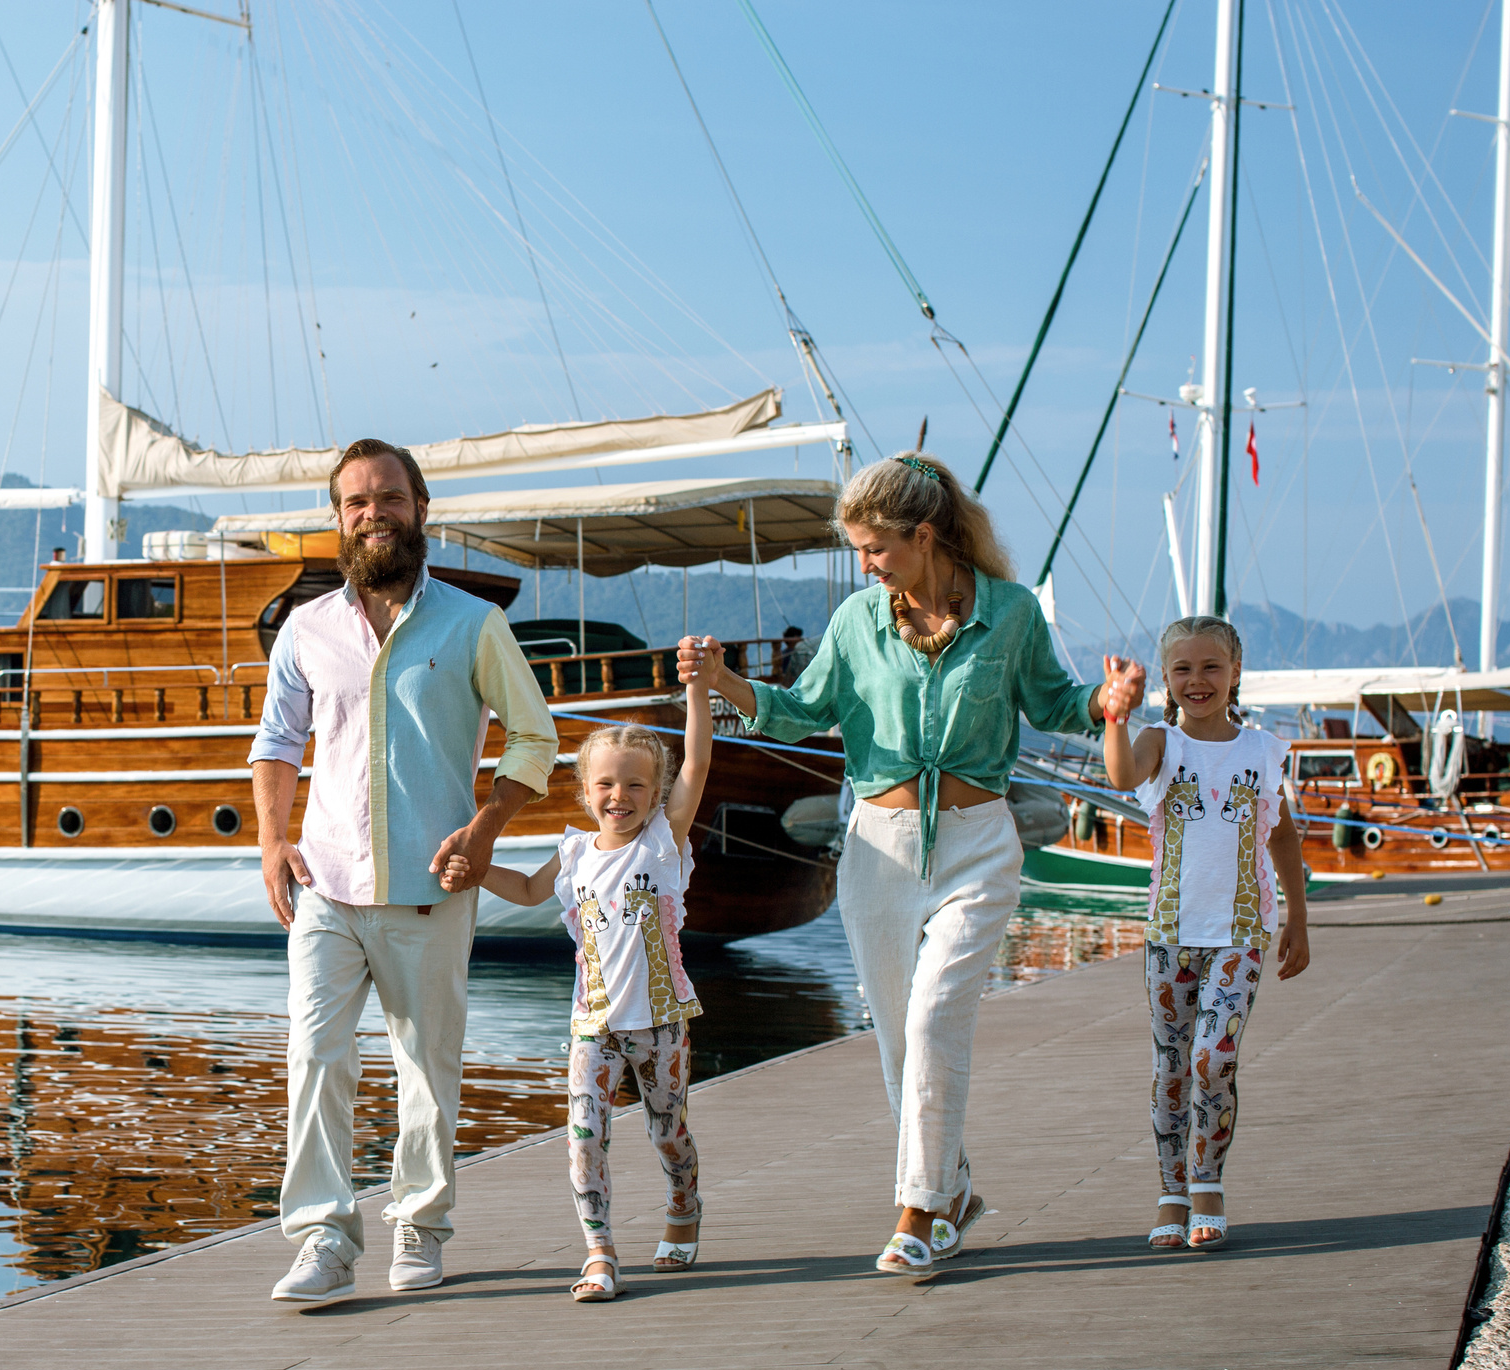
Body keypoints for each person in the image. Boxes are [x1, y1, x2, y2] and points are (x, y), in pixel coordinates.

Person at [681, 451, 1147, 1275]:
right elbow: (799, 712)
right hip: (876, 850)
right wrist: (725, 681)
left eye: (874, 547)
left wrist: (1106, 704)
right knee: (899, 1041)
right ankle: (954, 1186)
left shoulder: (1009, 614)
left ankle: (921, 1210)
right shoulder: (859, 620)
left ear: (924, 534)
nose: (864, 564)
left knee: (934, 1021)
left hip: (978, 844)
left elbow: (1054, 703)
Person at [249, 438, 558, 1307]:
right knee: (315, 1056)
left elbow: (534, 736)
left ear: (421, 507)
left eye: (389, 497)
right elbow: (276, 743)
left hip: (433, 886)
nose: (373, 513)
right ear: (337, 519)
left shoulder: (471, 624)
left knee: (427, 1065)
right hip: (327, 887)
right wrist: (273, 843)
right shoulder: (307, 630)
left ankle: (420, 1225)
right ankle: (322, 1237)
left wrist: (489, 824)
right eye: (356, 502)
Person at [451, 663, 713, 1301]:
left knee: (666, 1129)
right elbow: (525, 890)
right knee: (585, 1134)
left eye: (635, 785)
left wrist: (698, 691)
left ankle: (684, 1204)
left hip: (661, 1022)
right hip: (592, 1025)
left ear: (656, 794)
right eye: (605, 784)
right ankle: (599, 1252)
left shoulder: (661, 842)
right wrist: (476, 868)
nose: (618, 796)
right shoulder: (572, 855)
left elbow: (698, 765)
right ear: (584, 790)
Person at [1101, 615, 1310, 1251]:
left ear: (1235, 673)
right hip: (1171, 931)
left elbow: (1281, 835)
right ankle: (1171, 1190)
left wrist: (1298, 918)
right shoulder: (1161, 744)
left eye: (1211, 667)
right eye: (1184, 669)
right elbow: (1122, 776)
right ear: (1165, 678)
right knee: (1172, 1067)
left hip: (1243, 929)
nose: (1198, 680)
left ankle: (1207, 1181)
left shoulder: (1263, 751)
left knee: (1212, 1058)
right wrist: (1113, 716)